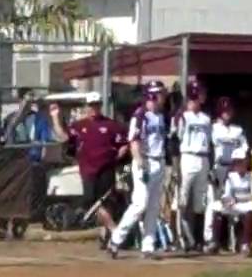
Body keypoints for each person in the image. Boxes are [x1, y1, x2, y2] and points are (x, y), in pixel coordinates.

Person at [108, 82, 168, 259]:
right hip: (145, 161)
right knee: (139, 204)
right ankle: (116, 239)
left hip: (159, 161)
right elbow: (134, 141)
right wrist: (140, 162)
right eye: (159, 94)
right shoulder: (141, 115)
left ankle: (147, 246)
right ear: (152, 96)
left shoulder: (161, 115)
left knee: (153, 206)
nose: (163, 97)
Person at [67, 93, 128, 248]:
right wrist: (54, 118)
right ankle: (115, 230)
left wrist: (117, 158)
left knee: (106, 202)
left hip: (106, 169)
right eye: (91, 105)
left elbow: (124, 143)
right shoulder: (79, 126)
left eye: (96, 105)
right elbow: (64, 138)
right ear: (86, 107)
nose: (94, 108)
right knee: (91, 201)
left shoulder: (111, 125)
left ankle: (105, 234)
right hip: (88, 170)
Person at [204, 97, 247, 252]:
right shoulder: (212, 128)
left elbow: (245, 149)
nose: (227, 113)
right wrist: (210, 170)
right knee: (213, 203)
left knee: (233, 204)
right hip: (218, 168)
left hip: (233, 169)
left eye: (229, 110)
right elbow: (207, 149)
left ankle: (233, 242)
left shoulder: (238, 130)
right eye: (224, 111)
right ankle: (210, 240)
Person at [172, 85, 212, 251]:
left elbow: (209, 142)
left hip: (203, 158)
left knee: (199, 202)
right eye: (200, 93)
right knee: (181, 199)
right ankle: (178, 238)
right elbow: (174, 141)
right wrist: (175, 166)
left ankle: (196, 239)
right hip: (187, 157)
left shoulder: (206, 118)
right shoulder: (182, 116)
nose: (203, 96)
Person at [211, 149, 252, 258]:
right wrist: (226, 201)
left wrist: (237, 200)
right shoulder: (230, 176)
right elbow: (226, 194)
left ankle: (246, 244)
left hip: (247, 203)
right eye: (236, 162)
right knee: (217, 207)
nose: (238, 164)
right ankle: (216, 242)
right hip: (234, 204)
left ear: (246, 161)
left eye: (241, 161)